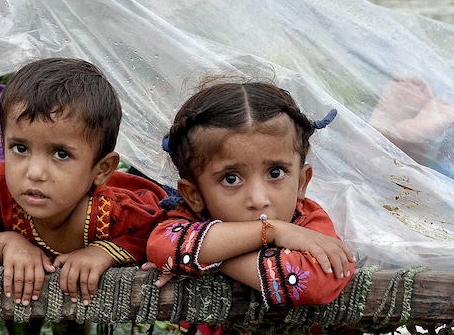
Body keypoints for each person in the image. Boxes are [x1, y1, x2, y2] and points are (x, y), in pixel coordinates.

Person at [0, 57, 166, 306]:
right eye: (20, 148)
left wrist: (102, 253)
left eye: (61, 154)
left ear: (102, 169)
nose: (34, 172)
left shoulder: (113, 210)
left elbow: (162, 237)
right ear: (2, 143)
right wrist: (8, 243)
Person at [147, 80, 354, 310]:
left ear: (301, 182)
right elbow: (160, 245)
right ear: (193, 195)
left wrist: (210, 258)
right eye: (231, 179)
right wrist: (272, 231)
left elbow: (318, 280)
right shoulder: (194, 215)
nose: (258, 199)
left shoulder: (308, 221)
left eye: (275, 173)